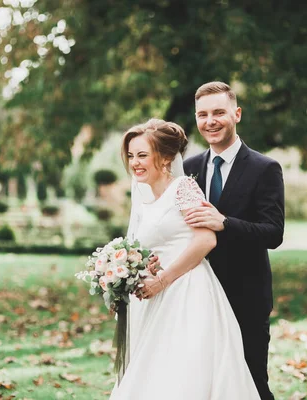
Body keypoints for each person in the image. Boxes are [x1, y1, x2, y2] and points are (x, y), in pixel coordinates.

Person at [109, 118, 260, 400]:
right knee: (154, 373)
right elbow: (156, 244)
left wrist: (163, 279)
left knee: (184, 372)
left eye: (142, 155)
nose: (134, 163)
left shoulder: (184, 189)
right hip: (155, 296)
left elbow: (206, 240)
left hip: (188, 293)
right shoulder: (143, 195)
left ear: (165, 157)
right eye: (131, 156)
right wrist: (140, 268)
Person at [183, 81, 285, 400]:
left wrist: (224, 223)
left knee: (251, 383)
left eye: (218, 113)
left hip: (246, 297)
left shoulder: (265, 168)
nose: (210, 121)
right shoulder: (188, 169)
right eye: (202, 114)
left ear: (236, 114)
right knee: (206, 385)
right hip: (197, 297)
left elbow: (273, 233)